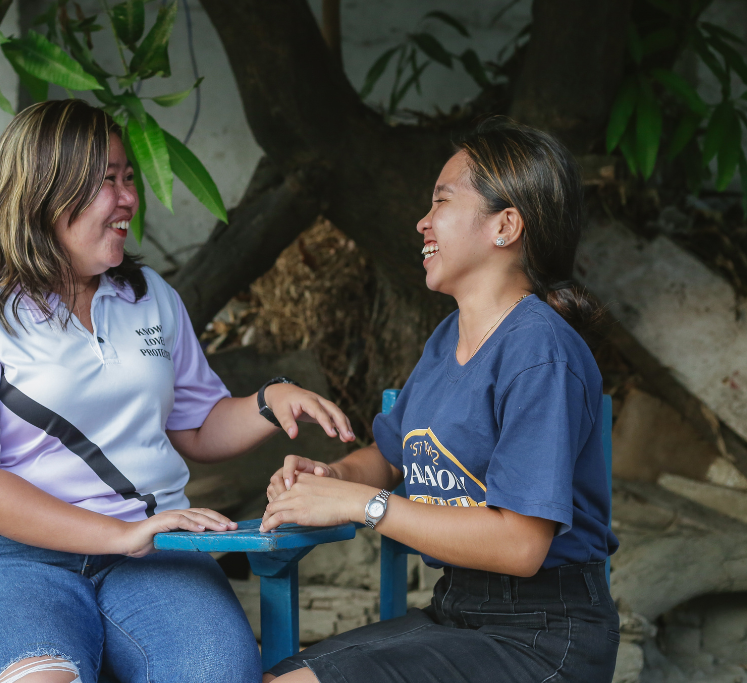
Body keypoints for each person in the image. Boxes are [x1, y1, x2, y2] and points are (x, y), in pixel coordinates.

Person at [0, 99, 355, 683]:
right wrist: (119, 533)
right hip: (4, 559)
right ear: (43, 192)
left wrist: (269, 402)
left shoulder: (148, 297)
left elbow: (195, 425)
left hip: (154, 557)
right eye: (105, 183)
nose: (128, 199)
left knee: (214, 675)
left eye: (128, 178)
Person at [260, 119, 620, 683]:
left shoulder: (540, 351)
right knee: (280, 675)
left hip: (542, 635)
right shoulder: (446, 340)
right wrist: (327, 478)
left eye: (442, 200)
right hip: (461, 610)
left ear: (506, 225)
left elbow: (522, 545)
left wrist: (362, 506)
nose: (422, 222)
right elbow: (389, 458)